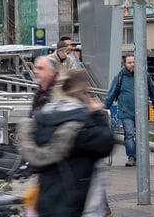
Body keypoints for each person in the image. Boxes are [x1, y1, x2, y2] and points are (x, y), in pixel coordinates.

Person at [18, 69, 115, 217]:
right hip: (77, 201)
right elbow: (106, 144)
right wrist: (97, 116)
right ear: (83, 92)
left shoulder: (42, 117)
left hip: (45, 200)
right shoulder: (83, 122)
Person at [103, 54, 154, 167]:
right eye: (129, 62)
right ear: (125, 64)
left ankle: (140, 156)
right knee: (129, 135)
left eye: (134, 62)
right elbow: (111, 94)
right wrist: (104, 107)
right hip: (126, 112)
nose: (132, 64)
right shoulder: (120, 77)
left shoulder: (144, 76)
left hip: (141, 112)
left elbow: (153, 92)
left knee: (141, 135)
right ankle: (132, 157)